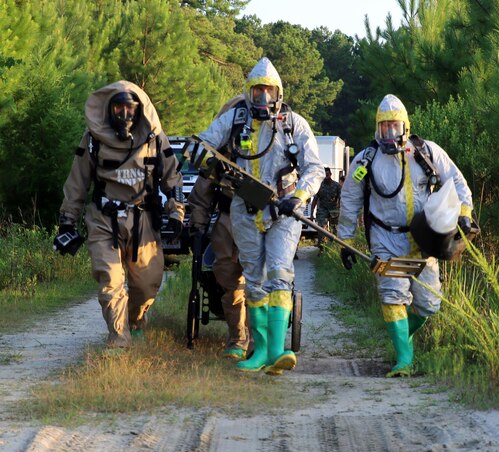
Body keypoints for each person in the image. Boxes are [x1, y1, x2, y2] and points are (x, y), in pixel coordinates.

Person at [195, 57, 325, 374]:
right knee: (253, 278)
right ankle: (261, 351)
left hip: (284, 210)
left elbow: (315, 169)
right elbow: (202, 144)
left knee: (279, 272)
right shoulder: (235, 120)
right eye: (256, 91)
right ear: (248, 92)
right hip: (245, 207)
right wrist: (207, 162)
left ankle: (279, 351)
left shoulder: (295, 125)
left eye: (268, 91)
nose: (262, 98)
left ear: (277, 92)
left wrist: (298, 197)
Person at [337, 94, 473, 377]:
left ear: (405, 126)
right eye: (385, 127)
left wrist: (464, 213)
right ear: (377, 127)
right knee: (393, 296)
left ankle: (401, 337)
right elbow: (350, 198)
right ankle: (403, 360)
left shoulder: (427, 152)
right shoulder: (366, 159)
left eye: (395, 126)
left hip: (424, 241)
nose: (390, 132)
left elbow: (456, 181)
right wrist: (346, 240)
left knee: (429, 304)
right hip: (385, 240)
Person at [55, 80, 185, 348]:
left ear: (138, 111)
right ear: (108, 110)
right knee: (110, 279)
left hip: (144, 219)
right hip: (104, 219)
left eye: (129, 108)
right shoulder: (93, 139)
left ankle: (136, 321)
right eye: (118, 108)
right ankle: (119, 338)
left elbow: (172, 178)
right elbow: (77, 181)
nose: (124, 114)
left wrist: (176, 214)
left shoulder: (154, 138)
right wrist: (67, 221)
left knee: (146, 285)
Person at [187, 95, 251, 359]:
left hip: (259, 222)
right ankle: (238, 337)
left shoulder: (269, 152)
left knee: (258, 284)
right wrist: (197, 229)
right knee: (231, 283)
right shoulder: (218, 160)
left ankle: (260, 340)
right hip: (226, 223)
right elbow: (201, 196)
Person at [311, 167, 341, 252]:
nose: (326, 176)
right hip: (322, 209)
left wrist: (340, 208)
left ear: (331, 174)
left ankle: (334, 249)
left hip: (334, 210)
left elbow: (341, 198)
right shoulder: (319, 185)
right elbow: (315, 200)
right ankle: (322, 249)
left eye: (327, 174)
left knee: (334, 230)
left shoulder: (337, 185)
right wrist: (311, 213)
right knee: (321, 229)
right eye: (325, 175)